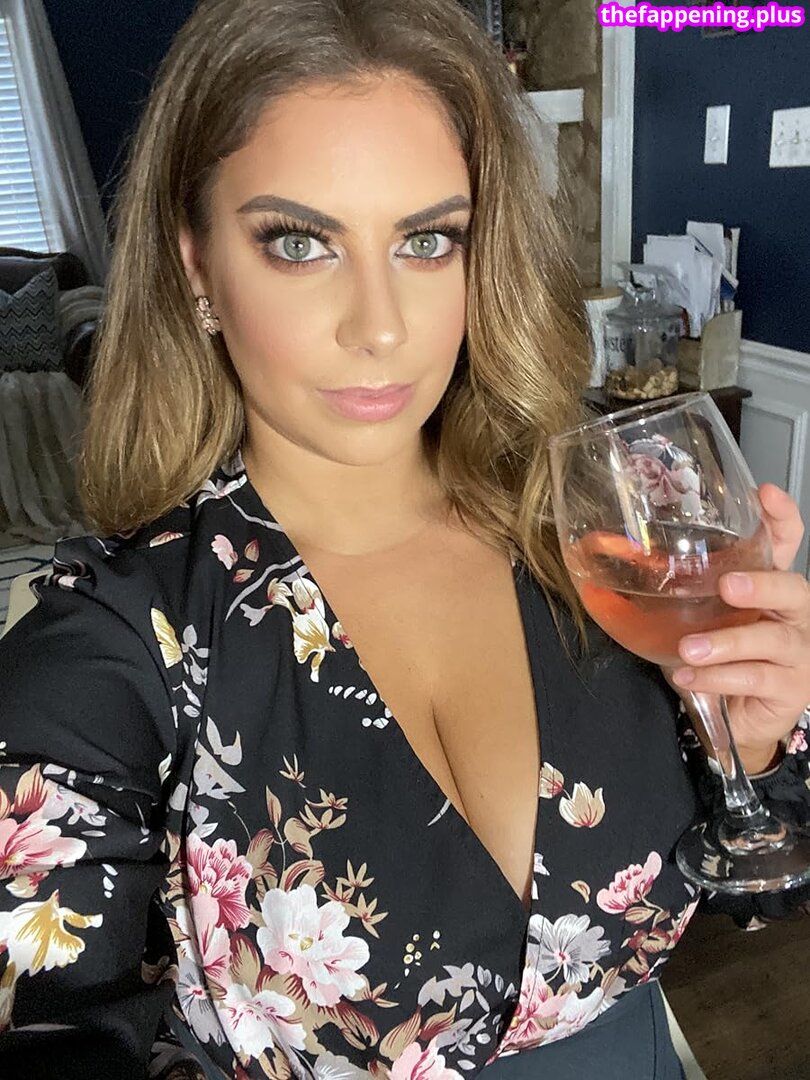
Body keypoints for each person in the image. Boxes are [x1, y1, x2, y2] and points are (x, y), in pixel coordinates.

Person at [1, 1, 808, 1077]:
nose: (380, 325)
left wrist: (751, 741)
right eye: (300, 244)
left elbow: (758, 883)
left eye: (428, 241)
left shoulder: (598, 537)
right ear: (196, 269)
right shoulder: (114, 647)